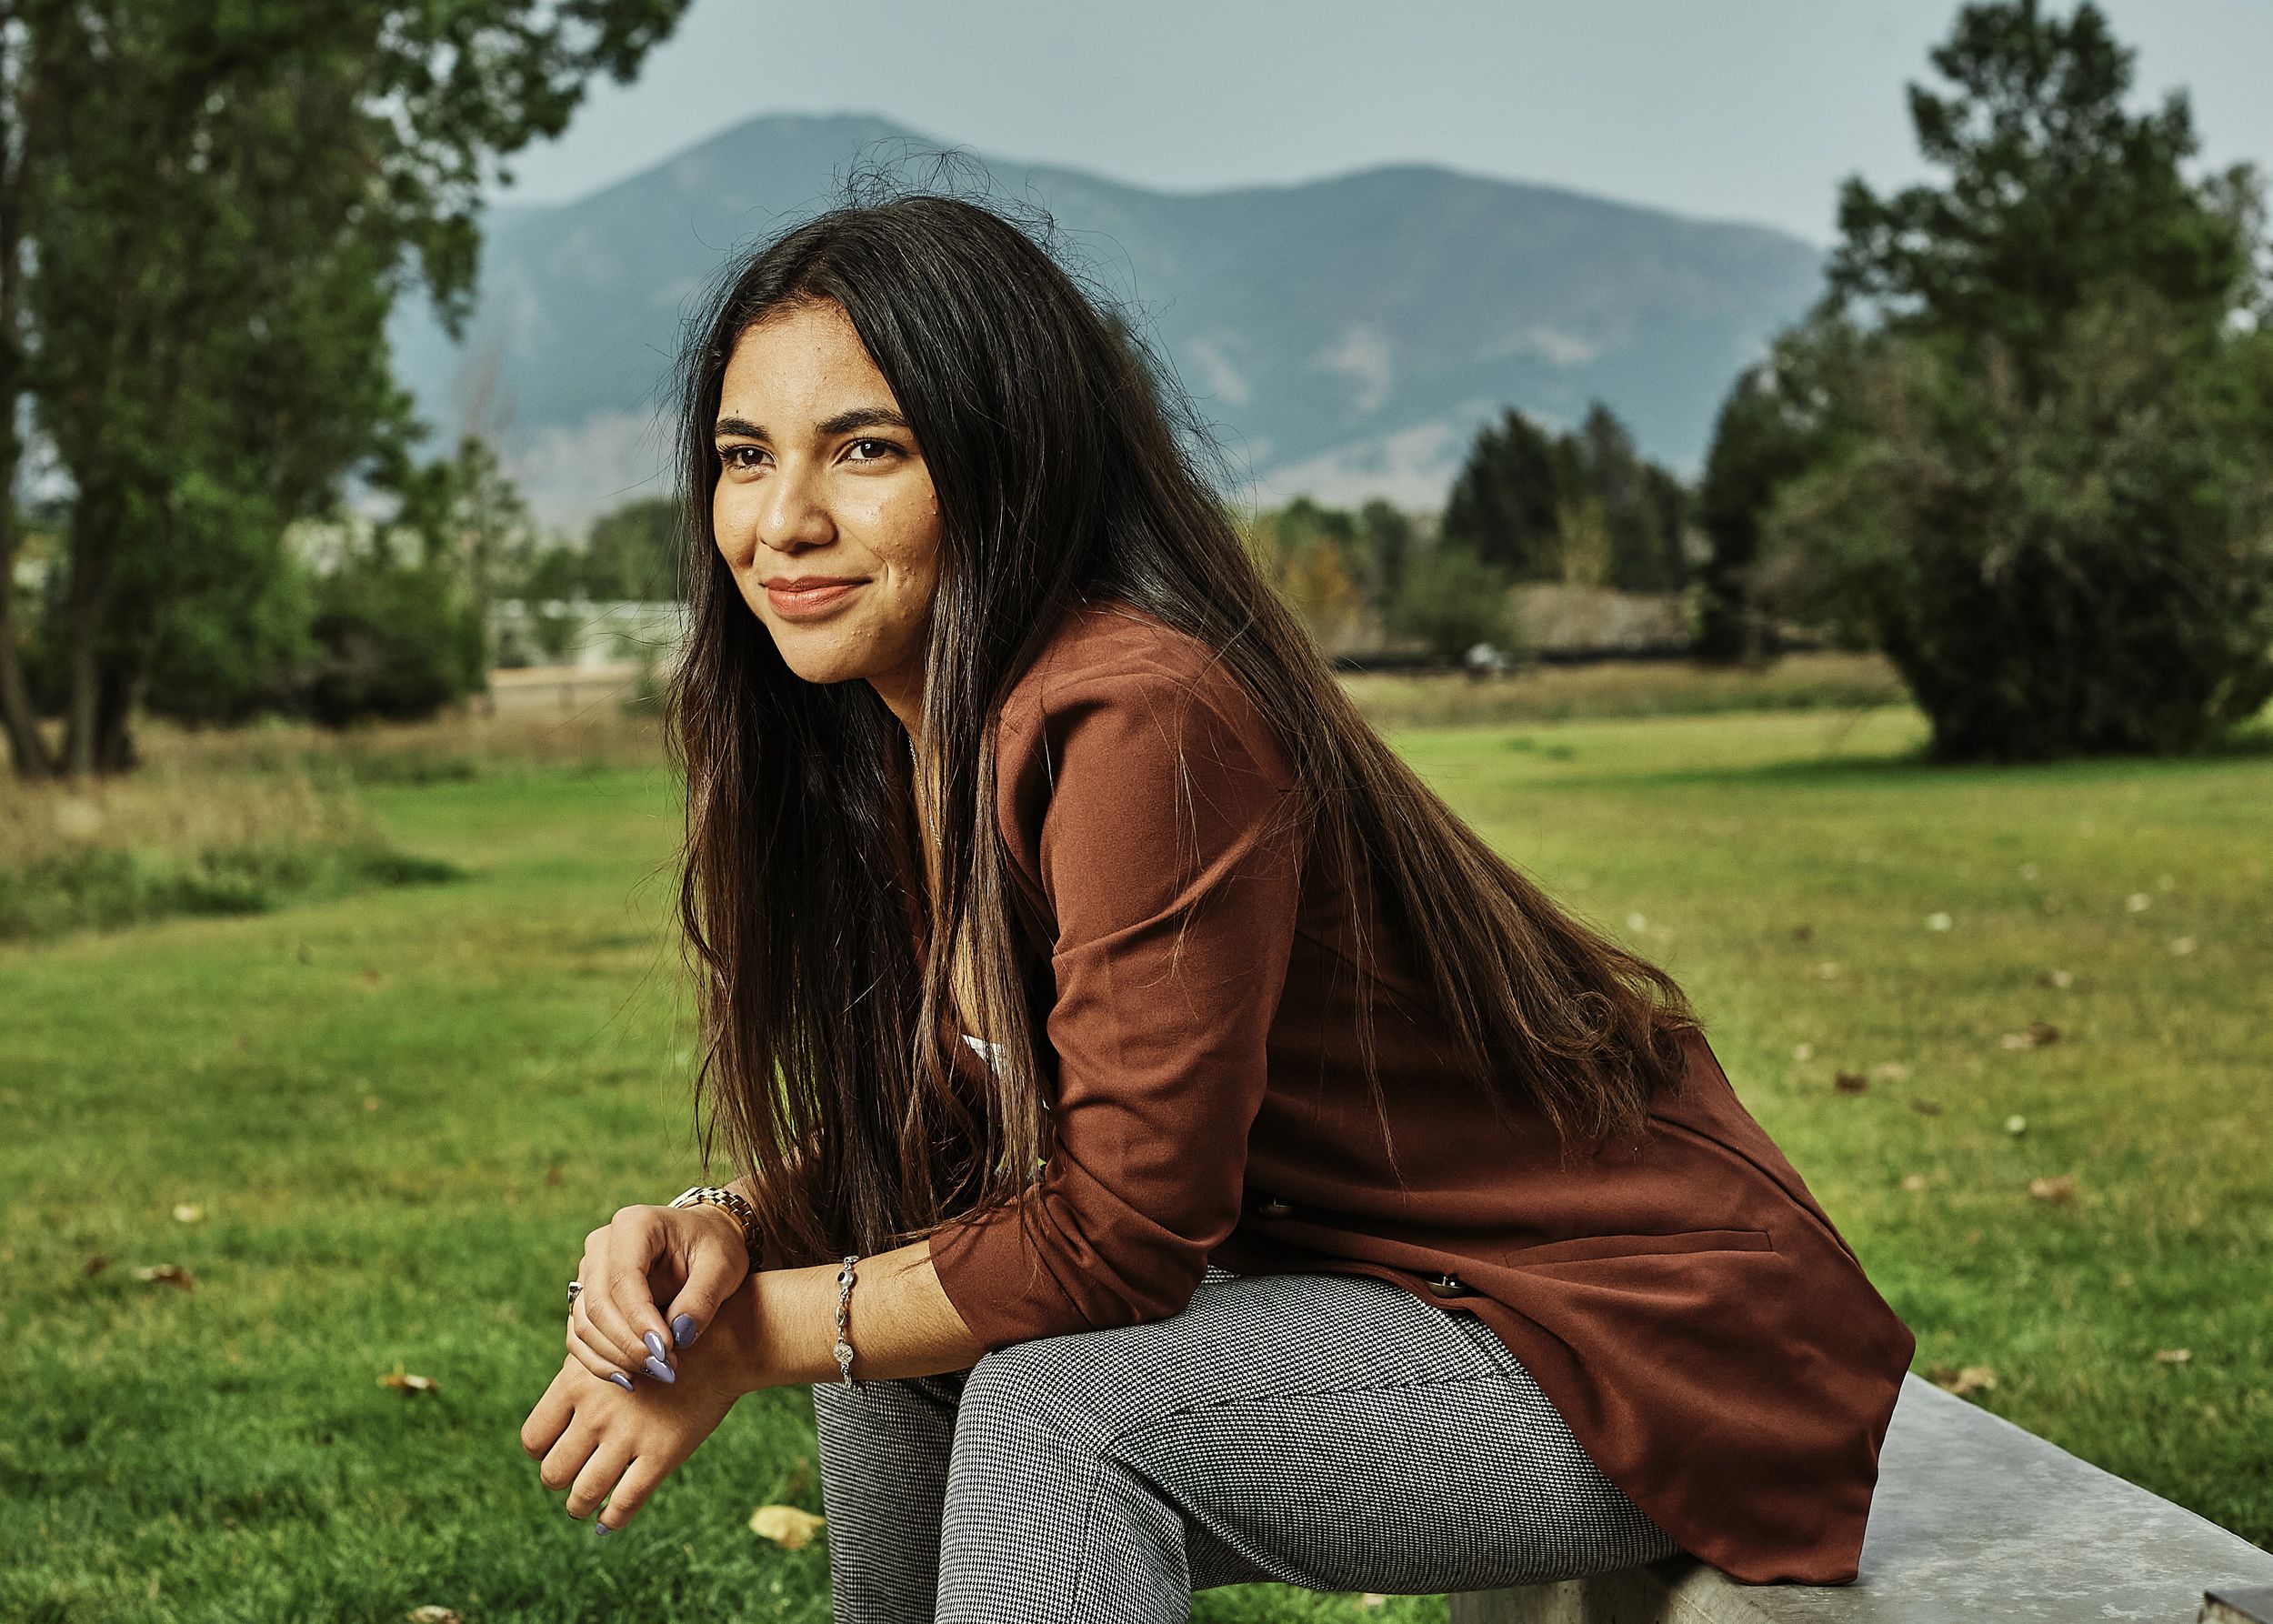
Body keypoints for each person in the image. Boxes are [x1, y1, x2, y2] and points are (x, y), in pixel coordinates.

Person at [516, 189, 1917, 1620]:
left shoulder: (1139, 716)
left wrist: (747, 1335)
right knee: (890, 1325)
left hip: (1644, 1339)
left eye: (869, 448)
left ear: (1011, 458)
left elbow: (1115, 1237)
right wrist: (730, 1229)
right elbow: (943, 1117)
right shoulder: (913, 735)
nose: (785, 521)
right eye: (745, 457)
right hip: (1422, 1294)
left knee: (1063, 1410)